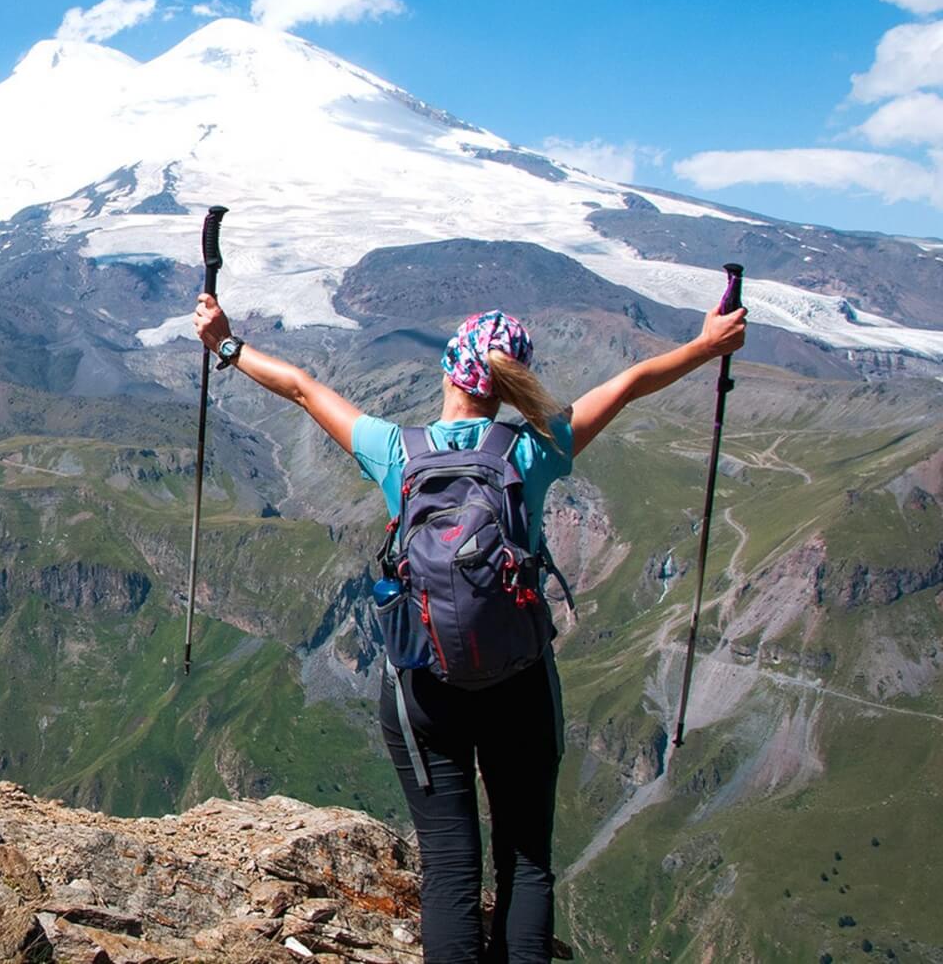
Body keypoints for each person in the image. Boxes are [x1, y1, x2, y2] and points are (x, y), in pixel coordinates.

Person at [191, 295, 747, 963]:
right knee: (526, 862)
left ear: (452, 371)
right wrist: (707, 346)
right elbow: (626, 385)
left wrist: (226, 345)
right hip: (519, 682)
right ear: (512, 385)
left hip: (426, 689)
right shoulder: (533, 451)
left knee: (451, 867)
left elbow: (304, 390)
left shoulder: (398, 452)